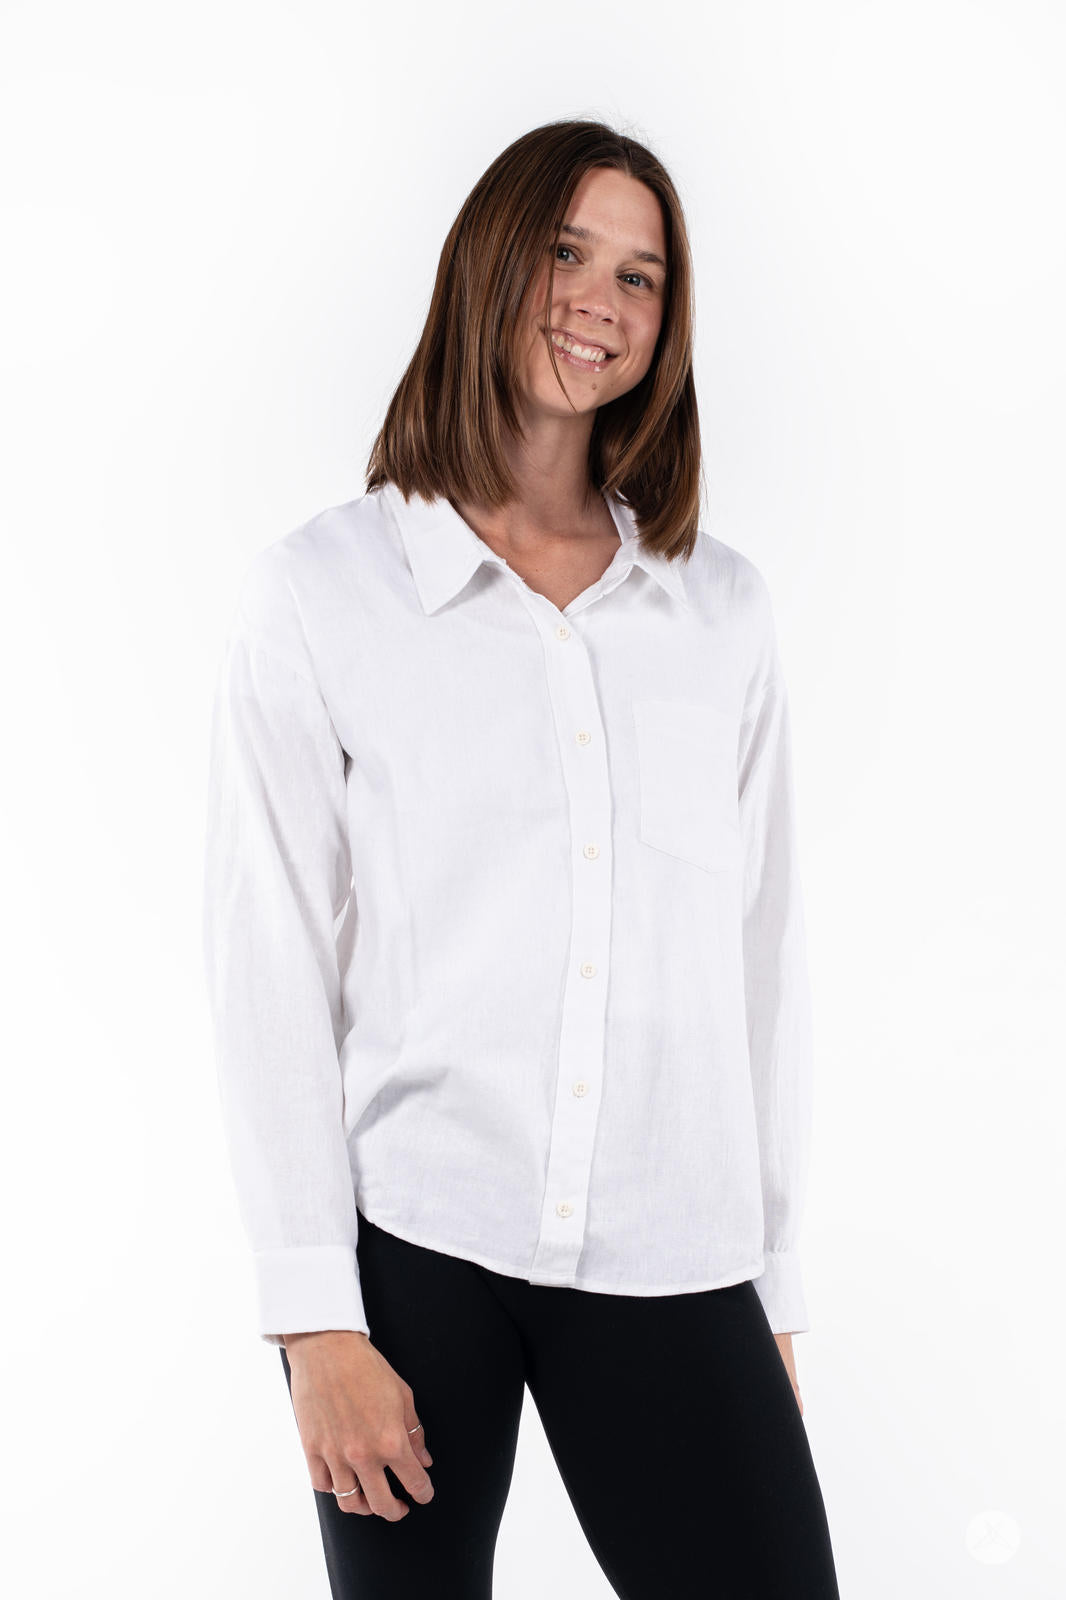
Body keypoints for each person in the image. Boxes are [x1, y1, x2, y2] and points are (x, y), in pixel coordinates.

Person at [202, 118, 842, 1599]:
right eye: (564, 251)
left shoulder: (718, 612)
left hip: (675, 1249)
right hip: (417, 1253)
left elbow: (765, 958)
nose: (597, 301)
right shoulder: (321, 593)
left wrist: (772, 1286)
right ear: (490, 259)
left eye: (639, 275)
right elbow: (271, 956)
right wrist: (314, 1321)